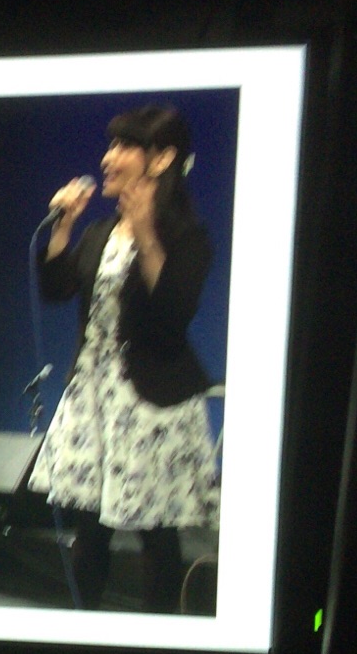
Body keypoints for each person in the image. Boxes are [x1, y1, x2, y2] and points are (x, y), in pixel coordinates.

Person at [29, 105, 221, 612]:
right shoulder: (100, 232)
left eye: (123, 147)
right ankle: (85, 630)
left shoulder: (186, 236)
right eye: (110, 146)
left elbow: (171, 315)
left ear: (161, 159)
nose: (107, 158)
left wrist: (148, 235)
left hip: (150, 402)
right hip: (94, 396)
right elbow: (56, 289)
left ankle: (158, 639)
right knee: (89, 526)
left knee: (155, 530)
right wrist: (64, 227)